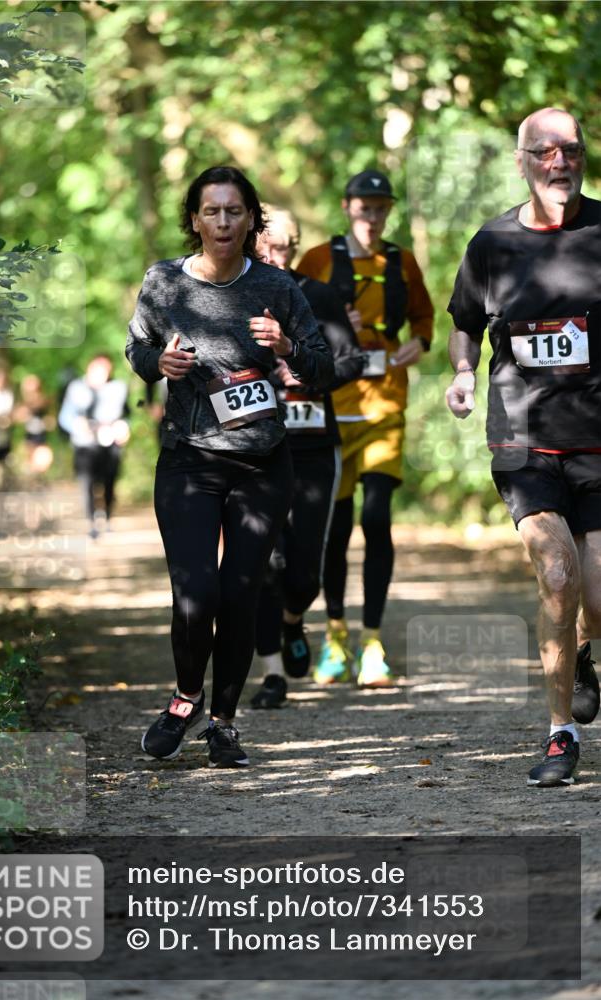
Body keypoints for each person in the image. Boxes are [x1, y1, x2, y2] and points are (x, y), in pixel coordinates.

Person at [126, 165, 333, 767]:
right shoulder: (165, 281)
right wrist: (158, 361)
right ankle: (185, 698)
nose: (222, 222)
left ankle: (224, 722)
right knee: (196, 593)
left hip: (263, 464)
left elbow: (323, 368)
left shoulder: (277, 287)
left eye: (234, 211)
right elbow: (137, 346)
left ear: (251, 220)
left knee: (241, 594)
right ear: (194, 220)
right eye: (211, 211)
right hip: (189, 461)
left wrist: (288, 348)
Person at [445, 108, 600, 787]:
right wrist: (458, 374)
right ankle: (558, 734)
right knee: (557, 577)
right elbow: (462, 322)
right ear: (522, 162)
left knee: (596, 600)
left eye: (569, 149)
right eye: (544, 151)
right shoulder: (492, 244)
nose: (558, 162)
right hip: (522, 441)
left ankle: (584, 651)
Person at [298, 169, 434, 687]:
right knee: (335, 527)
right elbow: (290, 317)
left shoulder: (400, 261)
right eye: (363, 207)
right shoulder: (315, 260)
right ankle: (334, 637)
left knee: (377, 519)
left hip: (384, 405)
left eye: (380, 208)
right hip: (332, 408)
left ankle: (372, 640)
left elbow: (424, 319)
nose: (372, 218)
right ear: (346, 206)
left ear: (388, 211)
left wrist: (418, 342)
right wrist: (331, 329)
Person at [251, 206, 363, 708]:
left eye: (284, 248)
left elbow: (353, 360)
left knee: (303, 573)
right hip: (253, 446)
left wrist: (310, 372)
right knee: (262, 563)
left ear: (296, 249)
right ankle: (271, 673)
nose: (275, 257)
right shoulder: (238, 297)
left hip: (315, 445)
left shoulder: (318, 297)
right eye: (266, 248)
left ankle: (294, 618)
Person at [58, 355, 130, 538]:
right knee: (87, 483)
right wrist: (76, 425)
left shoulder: (119, 388)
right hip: (85, 444)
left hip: (110, 443)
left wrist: (124, 427)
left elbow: (127, 414)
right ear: (89, 368)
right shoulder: (76, 388)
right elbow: (64, 417)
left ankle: (107, 518)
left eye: (105, 370)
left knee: (110, 483)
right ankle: (91, 523)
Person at [15, 374, 54, 476]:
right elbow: (17, 417)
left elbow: (51, 421)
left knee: (42, 464)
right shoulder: (23, 404)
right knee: (29, 466)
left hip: (42, 439)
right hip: (29, 439)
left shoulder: (45, 403)